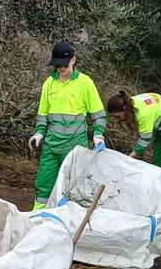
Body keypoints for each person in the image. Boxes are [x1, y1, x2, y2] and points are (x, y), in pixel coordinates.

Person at [29, 40, 106, 210]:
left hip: (74, 145)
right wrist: (39, 133)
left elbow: (99, 115)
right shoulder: (49, 83)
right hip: (51, 144)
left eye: (64, 64)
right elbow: (42, 115)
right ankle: (38, 218)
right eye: (57, 65)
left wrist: (98, 134)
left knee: (73, 185)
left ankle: (70, 222)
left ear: (73, 60)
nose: (61, 68)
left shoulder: (85, 83)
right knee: (44, 182)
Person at [106, 90, 161, 170]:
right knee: (157, 156)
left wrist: (128, 158)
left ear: (124, 109)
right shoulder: (129, 103)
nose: (116, 119)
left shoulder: (142, 114)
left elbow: (144, 141)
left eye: (117, 116)